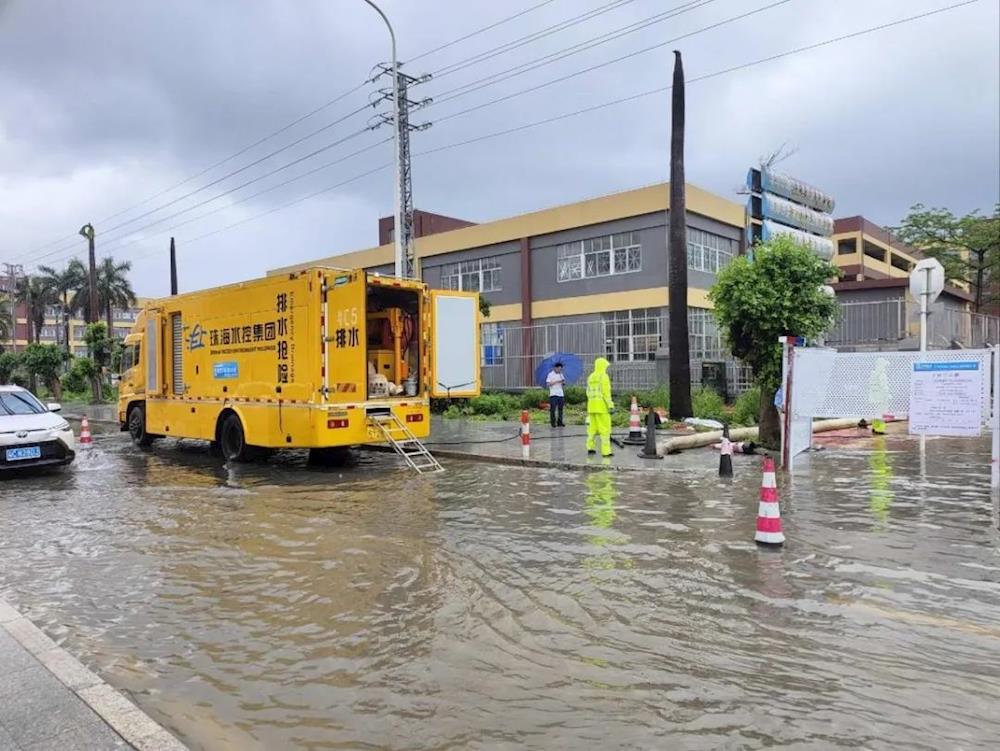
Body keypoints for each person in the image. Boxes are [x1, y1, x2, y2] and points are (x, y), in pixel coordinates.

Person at [586, 357, 615, 456]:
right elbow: (606, 392)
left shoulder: (591, 377)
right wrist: (610, 405)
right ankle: (606, 451)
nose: (606, 368)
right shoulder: (603, 376)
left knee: (592, 429)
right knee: (605, 429)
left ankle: (590, 447)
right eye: (606, 366)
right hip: (602, 407)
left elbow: (588, 392)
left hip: (591, 407)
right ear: (603, 366)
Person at [546, 361, 566, 428]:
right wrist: (557, 381)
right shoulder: (550, 374)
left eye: (561, 369)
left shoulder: (561, 374)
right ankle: (553, 423)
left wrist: (563, 383)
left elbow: (563, 383)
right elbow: (548, 384)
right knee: (553, 409)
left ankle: (560, 422)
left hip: (561, 394)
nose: (560, 370)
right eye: (559, 369)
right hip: (553, 394)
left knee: (561, 409)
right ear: (555, 368)